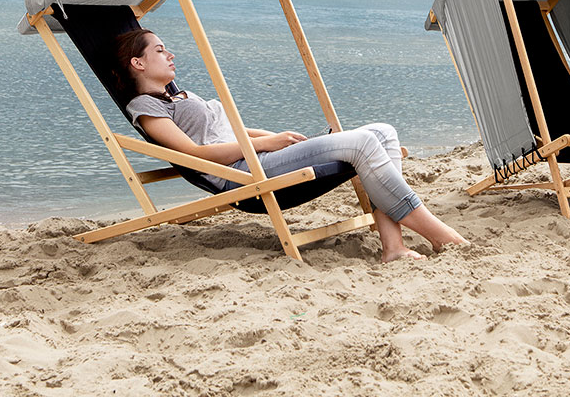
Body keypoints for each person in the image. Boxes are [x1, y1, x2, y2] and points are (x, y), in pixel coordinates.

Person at [115, 28, 468, 262]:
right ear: (138, 62)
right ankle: (439, 234)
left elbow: (230, 129)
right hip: (240, 174)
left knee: (383, 132)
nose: (170, 54)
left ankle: (393, 247)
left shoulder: (181, 96)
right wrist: (268, 144)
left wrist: (278, 138)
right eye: (160, 50)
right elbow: (193, 156)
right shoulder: (145, 107)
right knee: (362, 143)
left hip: (259, 157)